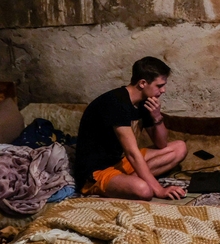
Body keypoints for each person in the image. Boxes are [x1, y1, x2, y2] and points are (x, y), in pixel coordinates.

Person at [74, 56, 187, 200]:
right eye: (159, 86)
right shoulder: (116, 102)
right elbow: (132, 152)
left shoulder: (144, 103)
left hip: (120, 162)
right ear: (142, 83)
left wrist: (157, 117)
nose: (163, 90)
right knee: (144, 191)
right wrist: (159, 190)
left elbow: (162, 144)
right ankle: (132, 182)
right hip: (96, 172)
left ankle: (130, 180)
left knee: (180, 147)